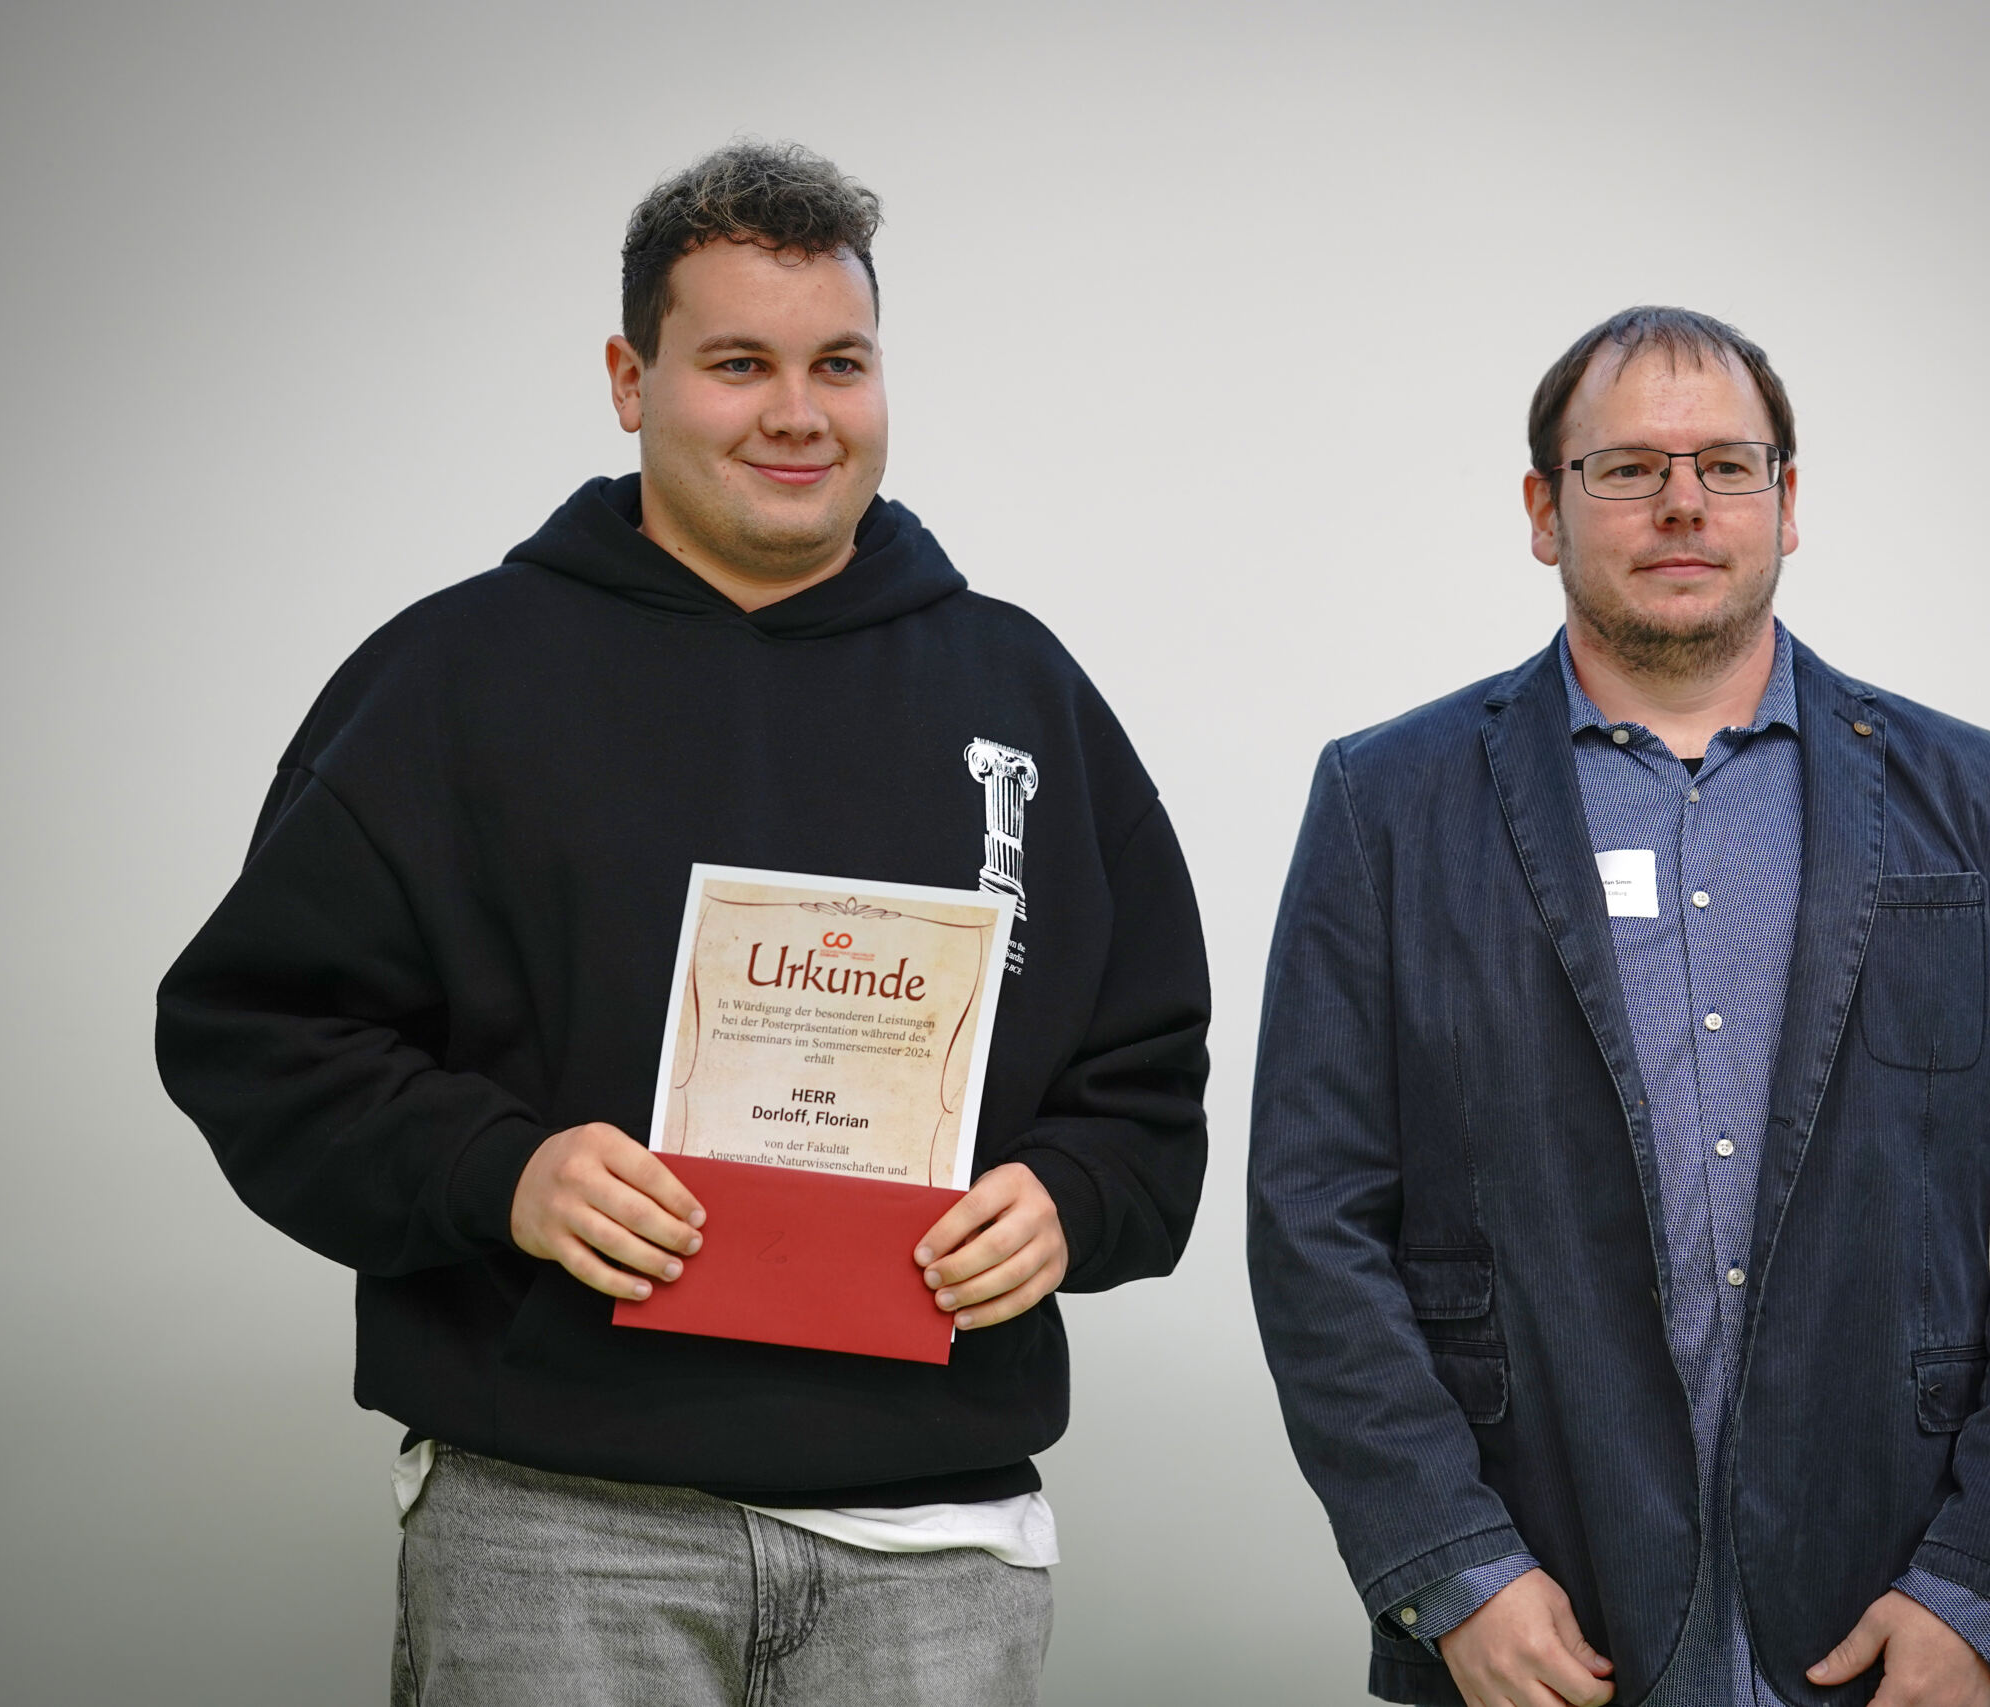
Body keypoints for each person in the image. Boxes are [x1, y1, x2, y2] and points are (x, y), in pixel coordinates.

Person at [157, 140, 1210, 1706]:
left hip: (933, 1548)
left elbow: (1148, 1086)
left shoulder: (1023, 693)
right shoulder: (453, 681)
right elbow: (259, 1035)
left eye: (839, 363)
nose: (799, 412)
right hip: (560, 1535)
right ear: (627, 377)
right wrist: (499, 1173)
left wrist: (1071, 1198)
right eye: (738, 362)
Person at [1247, 307, 1990, 1707]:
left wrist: (1989, 1594)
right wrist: (1452, 1567)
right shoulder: (1388, 806)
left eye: (1728, 466)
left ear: (1789, 505)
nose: (1684, 502)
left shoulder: (1980, 803)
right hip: (1545, 1614)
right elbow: (1314, 1223)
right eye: (1627, 469)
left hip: (1896, 1601)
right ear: (1545, 511)